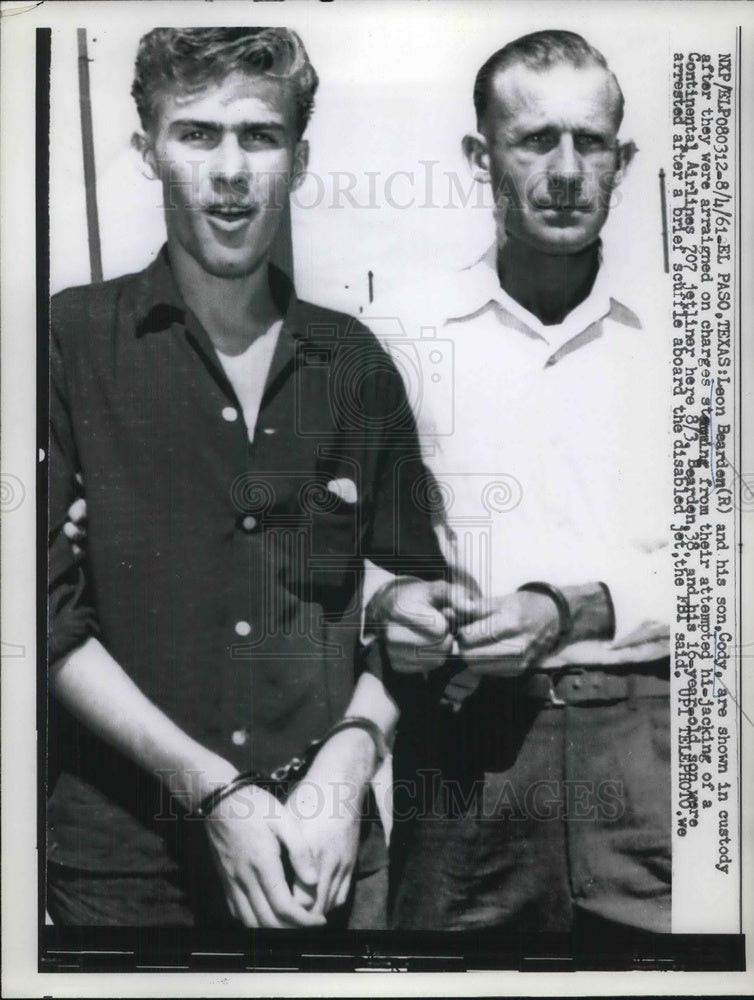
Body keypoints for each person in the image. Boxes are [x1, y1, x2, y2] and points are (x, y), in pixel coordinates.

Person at [46, 26, 446, 929]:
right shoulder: (62, 345)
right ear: (148, 149)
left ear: (298, 159)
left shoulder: (354, 362)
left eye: (259, 136)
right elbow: (41, 618)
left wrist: (346, 772)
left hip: (328, 858)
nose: (231, 169)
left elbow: (418, 591)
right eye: (197, 133)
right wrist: (216, 795)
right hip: (122, 872)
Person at [365, 29, 672, 934]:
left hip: (654, 753)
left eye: (593, 142)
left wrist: (571, 609)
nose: (569, 169)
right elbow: (340, 552)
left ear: (625, 159)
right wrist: (392, 608)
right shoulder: (401, 335)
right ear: (480, 157)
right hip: (466, 765)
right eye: (536, 140)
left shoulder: (694, 334)